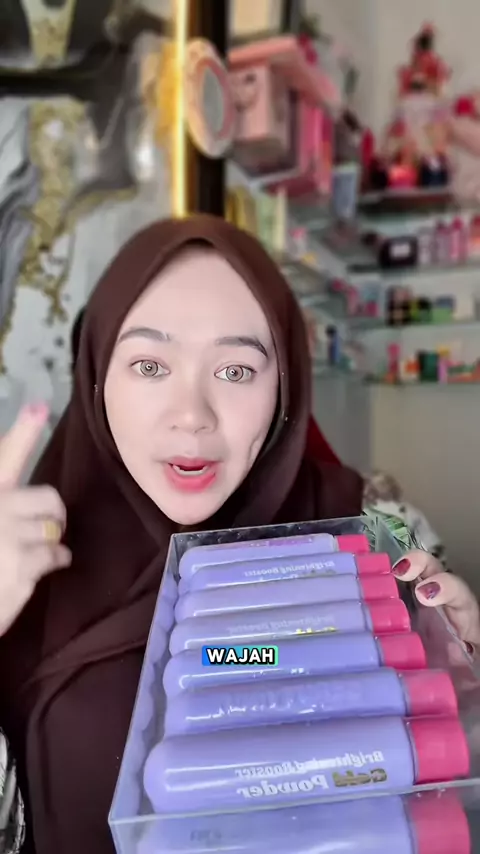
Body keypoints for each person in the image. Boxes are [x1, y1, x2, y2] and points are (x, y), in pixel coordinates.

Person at [0, 215, 477, 854]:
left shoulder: (378, 535)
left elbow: (443, 799)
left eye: (236, 371)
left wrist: (463, 677)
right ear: (96, 375)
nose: (192, 416)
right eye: (149, 365)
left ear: (286, 386)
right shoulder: (21, 559)